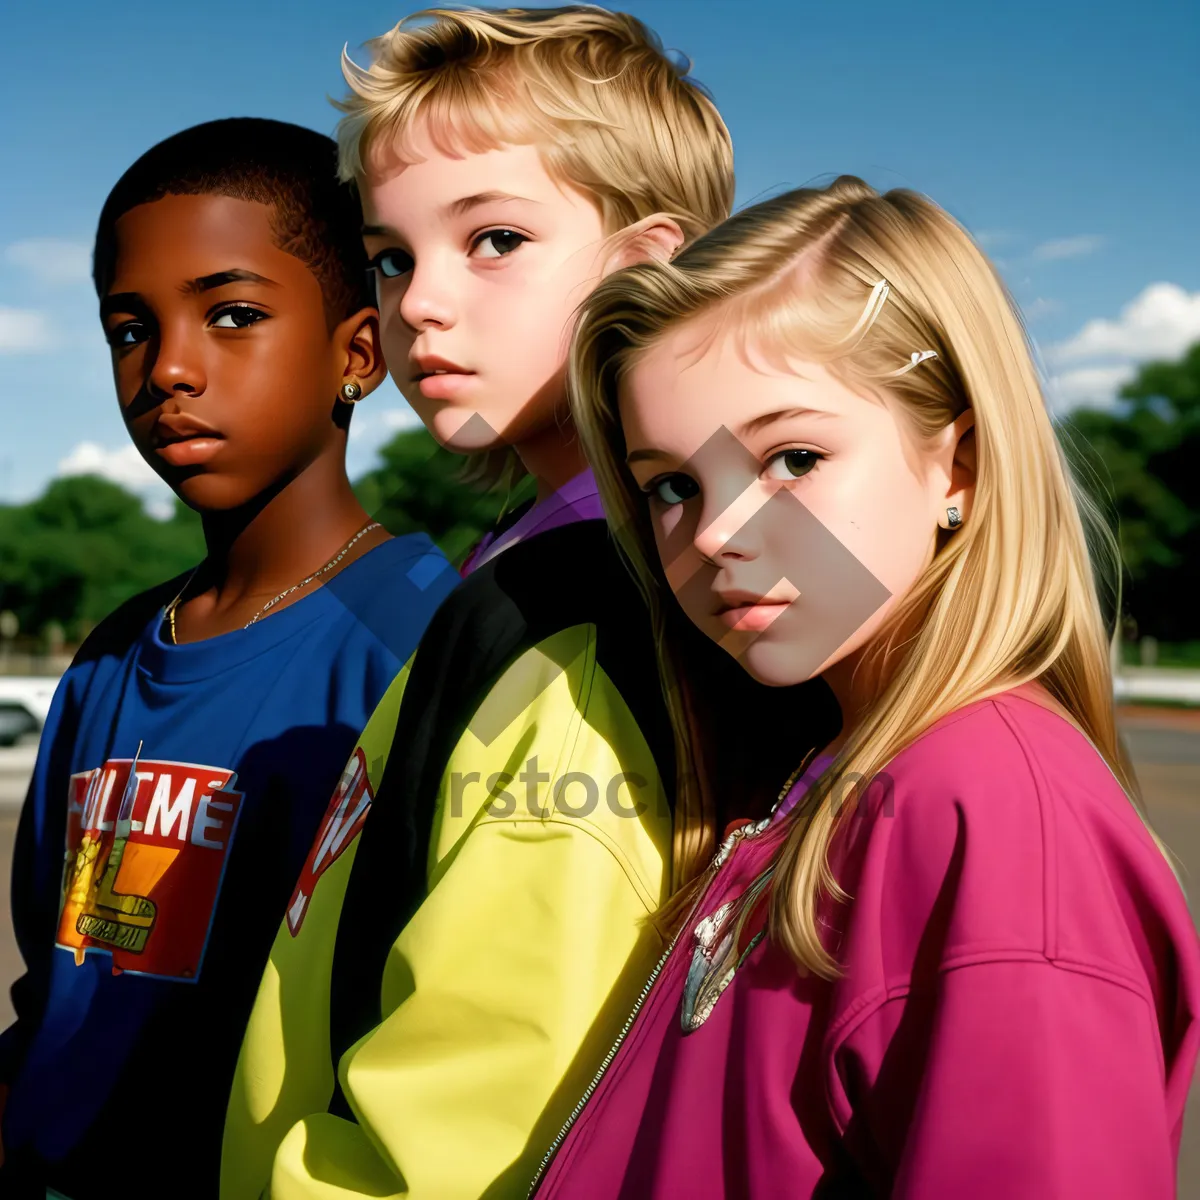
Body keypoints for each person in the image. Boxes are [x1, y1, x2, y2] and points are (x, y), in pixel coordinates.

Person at [222, 9, 823, 1198]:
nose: (418, 304)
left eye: (492, 239)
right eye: (390, 258)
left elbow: (472, 1126)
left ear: (644, 267)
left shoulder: (588, 607)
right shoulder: (527, 567)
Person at [533, 175, 1200, 1196]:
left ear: (961, 466)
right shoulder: (838, 765)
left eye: (792, 456)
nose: (714, 533)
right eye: (672, 483)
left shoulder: (996, 815)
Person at [0, 118, 458, 1199]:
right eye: (128, 329)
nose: (167, 369)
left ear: (359, 352)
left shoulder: (425, 640)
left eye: (234, 315)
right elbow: (54, 985)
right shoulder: (113, 656)